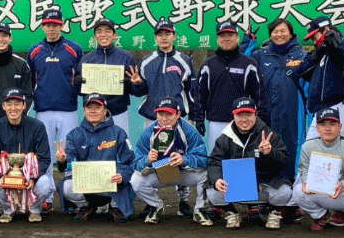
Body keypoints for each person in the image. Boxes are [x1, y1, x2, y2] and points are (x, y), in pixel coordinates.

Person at [129, 19, 204, 219]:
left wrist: (193, 118)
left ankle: (183, 200)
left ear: (174, 36)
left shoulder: (184, 61)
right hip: (153, 118)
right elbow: (140, 91)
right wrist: (136, 84)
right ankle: (152, 201)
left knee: (180, 156)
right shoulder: (146, 61)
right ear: (155, 37)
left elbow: (192, 92)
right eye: (160, 34)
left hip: (178, 118)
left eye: (167, 33)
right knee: (157, 157)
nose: (164, 37)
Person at [245, 18, 307, 223]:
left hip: (293, 112)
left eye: (283, 31)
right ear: (270, 34)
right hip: (266, 113)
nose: (279, 35)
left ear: (291, 33)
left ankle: (291, 204)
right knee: (261, 151)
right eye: (275, 31)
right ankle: (255, 202)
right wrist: (248, 44)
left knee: (292, 152)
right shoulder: (261, 55)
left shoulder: (301, 55)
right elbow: (243, 65)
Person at [205, 97, 291, 230]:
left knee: (285, 191)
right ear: (234, 115)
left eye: (249, 114)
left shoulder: (269, 134)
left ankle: (274, 212)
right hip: (236, 186)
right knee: (212, 190)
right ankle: (231, 212)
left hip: (262, 184)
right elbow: (214, 162)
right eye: (240, 115)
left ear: (255, 114)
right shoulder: (224, 137)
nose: (244, 119)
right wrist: (216, 180)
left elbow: (284, 161)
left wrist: (269, 153)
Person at [292, 107, 344, 237]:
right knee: (298, 191)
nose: (327, 128)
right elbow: (303, 169)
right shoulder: (307, 147)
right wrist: (305, 181)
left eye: (332, 124)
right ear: (317, 128)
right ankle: (321, 216)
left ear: (340, 127)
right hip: (323, 193)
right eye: (323, 124)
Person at [55, 94, 135, 223]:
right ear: (84, 111)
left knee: (132, 180)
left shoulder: (118, 132)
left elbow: (129, 161)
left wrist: (121, 175)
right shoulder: (75, 134)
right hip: (88, 183)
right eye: (89, 107)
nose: (93, 111)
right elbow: (68, 156)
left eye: (97, 107)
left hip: (111, 183)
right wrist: (62, 159)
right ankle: (86, 206)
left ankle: (115, 206)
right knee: (66, 187)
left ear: (105, 110)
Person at [130, 97, 208, 224]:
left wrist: (185, 160)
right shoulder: (148, 133)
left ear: (178, 114)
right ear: (156, 114)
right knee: (136, 180)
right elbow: (136, 162)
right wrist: (147, 160)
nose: (164, 118)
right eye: (161, 114)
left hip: (183, 172)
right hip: (162, 172)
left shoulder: (189, 131)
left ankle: (200, 209)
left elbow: (204, 159)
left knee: (208, 174)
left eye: (169, 114)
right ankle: (155, 205)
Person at [27, 9, 83, 182]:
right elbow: (30, 81)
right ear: (43, 27)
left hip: (69, 109)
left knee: (70, 152)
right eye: (48, 25)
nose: (52, 29)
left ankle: (73, 194)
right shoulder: (35, 50)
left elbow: (82, 77)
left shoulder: (74, 49)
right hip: (44, 110)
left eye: (56, 25)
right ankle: (47, 196)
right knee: (45, 155)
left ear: (62, 26)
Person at [0, 88, 53, 223]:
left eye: (17, 104)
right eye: (9, 104)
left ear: (24, 105)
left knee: (45, 183)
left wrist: (33, 177)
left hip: (29, 178)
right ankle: (8, 210)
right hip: (7, 175)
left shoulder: (37, 126)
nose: (13, 108)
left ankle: (34, 210)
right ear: (3, 106)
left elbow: (45, 158)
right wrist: (0, 177)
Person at [198, 20, 269, 152]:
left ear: (237, 37)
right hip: (216, 122)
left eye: (230, 35)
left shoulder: (250, 64)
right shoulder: (208, 65)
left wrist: (261, 120)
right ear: (218, 39)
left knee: (241, 162)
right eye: (222, 36)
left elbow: (260, 94)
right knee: (217, 160)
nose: (226, 39)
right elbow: (200, 95)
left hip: (244, 122)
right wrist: (199, 119)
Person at [74, 18, 138, 135]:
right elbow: (79, 91)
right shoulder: (86, 60)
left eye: (108, 31)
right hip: (94, 115)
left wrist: (133, 84)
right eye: (99, 31)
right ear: (94, 37)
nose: (103, 35)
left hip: (118, 112)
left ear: (115, 35)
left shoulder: (126, 58)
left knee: (121, 148)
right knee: (94, 150)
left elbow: (136, 91)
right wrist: (77, 84)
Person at [293, 15, 344, 137]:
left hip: (335, 110)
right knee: (310, 151)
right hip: (319, 112)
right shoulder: (321, 52)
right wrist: (318, 52)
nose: (314, 42)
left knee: (335, 154)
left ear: (325, 30)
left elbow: (340, 53)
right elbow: (301, 72)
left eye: (315, 37)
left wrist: (335, 40)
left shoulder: (338, 45)